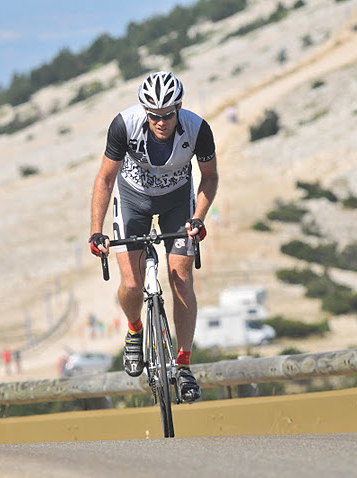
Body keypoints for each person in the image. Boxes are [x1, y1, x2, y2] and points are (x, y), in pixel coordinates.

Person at [88, 71, 218, 402]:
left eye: (168, 115)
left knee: (181, 280)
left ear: (179, 108)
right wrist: (96, 231)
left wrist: (198, 218)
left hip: (178, 201)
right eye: (154, 115)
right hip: (133, 200)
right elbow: (105, 179)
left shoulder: (198, 129)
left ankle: (184, 365)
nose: (161, 122)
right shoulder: (124, 126)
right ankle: (135, 329)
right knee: (132, 284)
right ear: (144, 111)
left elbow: (210, 177)